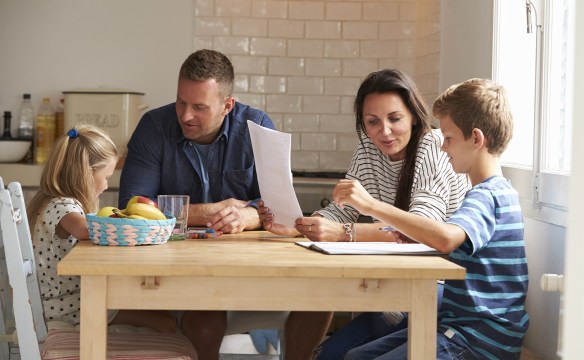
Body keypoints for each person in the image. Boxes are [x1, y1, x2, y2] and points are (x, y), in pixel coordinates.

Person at [118, 48, 331, 360]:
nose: (186, 115)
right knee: (205, 324)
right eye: (181, 102)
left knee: (320, 296)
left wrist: (247, 215)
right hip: (177, 272)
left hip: (252, 270)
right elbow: (132, 207)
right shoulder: (153, 127)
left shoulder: (257, 126)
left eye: (199, 107)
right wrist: (208, 213)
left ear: (227, 106)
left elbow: (279, 208)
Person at [258, 68, 471, 359]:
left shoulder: (433, 147)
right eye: (373, 122)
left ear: (413, 115)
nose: (384, 131)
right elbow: (340, 212)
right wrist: (300, 226)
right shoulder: (368, 151)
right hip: (396, 284)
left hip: (439, 289)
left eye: (394, 118)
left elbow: (423, 232)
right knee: (324, 356)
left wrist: (344, 233)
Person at [331, 78, 529, 359]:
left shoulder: (489, 196)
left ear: (475, 138)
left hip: (478, 340)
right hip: (456, 327)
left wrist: (372, 206)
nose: (443, 147)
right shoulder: (490, 192)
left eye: (448, 138)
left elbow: (445, 238)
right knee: (355, 356)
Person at [27, 125, 177, 333]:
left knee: (162, 314)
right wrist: (131, 222)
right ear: (86, 173)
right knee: (166, 323)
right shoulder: (61, 206)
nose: (106, 186)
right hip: (66, 309)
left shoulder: (50, 199)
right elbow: (84, 230)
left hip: (69, 301)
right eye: (106, 177)